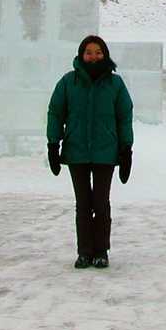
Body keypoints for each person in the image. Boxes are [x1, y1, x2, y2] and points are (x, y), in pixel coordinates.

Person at [47, 34, 134, 269]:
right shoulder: (68, 82)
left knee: (101, 203)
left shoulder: (115, 84)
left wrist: (126, 149)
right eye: (88, 52)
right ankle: (84, 251)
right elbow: (56, 112)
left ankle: (101, 251)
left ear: (104, 55)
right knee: (83, 203)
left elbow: (124, 117)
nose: (93, 56)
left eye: (98, 52)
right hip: (77, 152)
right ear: (81, 55)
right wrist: (53, 144)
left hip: (106, 153)